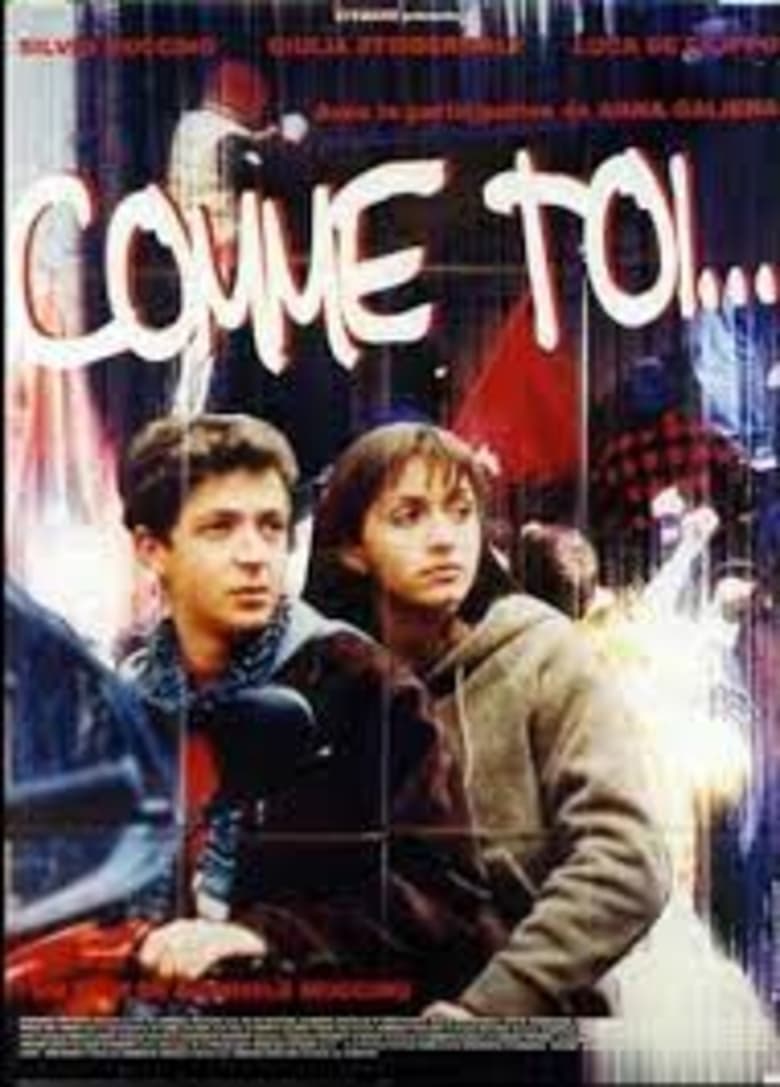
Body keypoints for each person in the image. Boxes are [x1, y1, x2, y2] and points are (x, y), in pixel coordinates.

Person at [116, 413, 502, 1010]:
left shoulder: (363, 685)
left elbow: (445, 897)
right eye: (220, 528)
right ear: (152, 549)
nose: (255, 555)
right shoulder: (124, 696)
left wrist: (262, 937)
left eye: (271, 527)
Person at [305, 422, 671, 1017]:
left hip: (526, 1025)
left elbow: (626, 861)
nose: (444, 539)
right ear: (352, 547)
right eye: (409, 516)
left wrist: (492, 1007)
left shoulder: (543, 654)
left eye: (461, 512)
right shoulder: (334, 689)